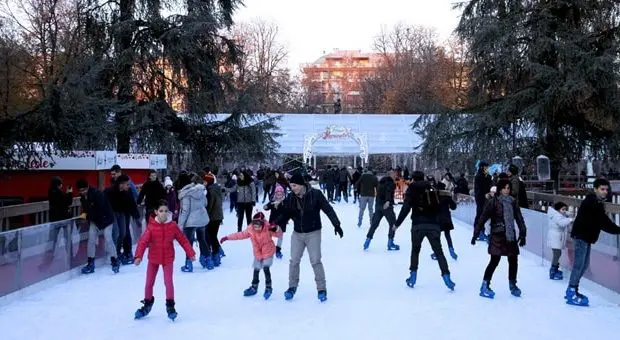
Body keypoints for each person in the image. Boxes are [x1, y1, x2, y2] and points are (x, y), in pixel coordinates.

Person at [275, 173, 343, 302]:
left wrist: (336, 224)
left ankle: (321, 289)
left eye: (294, 185)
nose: (292, 188)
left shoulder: (315, 194)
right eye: (291, 186)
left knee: (315, 261)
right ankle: (292, 287)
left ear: (301, 184)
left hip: (313, 233)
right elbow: (285, 214)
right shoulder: (290, 197)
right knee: (294, 261)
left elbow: (328, 209)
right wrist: (277, 224)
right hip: (297, 234)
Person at [134, 200, 196, 320]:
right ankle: (147, 303)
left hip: (168, 259)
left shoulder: (172, 226)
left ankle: (170, 306)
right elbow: (143, 242)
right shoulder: (151, 227)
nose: (163, 213)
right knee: (149, 283)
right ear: (156, 212)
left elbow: (182, 240)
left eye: (166, 211)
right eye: (161, 211)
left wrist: (190, 253)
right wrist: (138, 256)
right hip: (153, 259)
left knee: (168, 282)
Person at [394, 171, 455, 291]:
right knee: (439, 252)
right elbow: (441, 206)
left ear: (413, 179)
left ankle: (412, 277)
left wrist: (397, 224)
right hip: (433, 225)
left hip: (417, 225)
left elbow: (405, 208)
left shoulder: (412, 190)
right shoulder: (432, 188)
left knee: (415, 251)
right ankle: (447, 277)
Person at [565, 178, 620, 306]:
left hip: (586, 237)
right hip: (581, 237)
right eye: (602, 189)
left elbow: (601, 221)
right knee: (579, 265)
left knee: (584, 265)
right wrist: (618, 230)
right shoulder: (593, 202)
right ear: (595, 189)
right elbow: (604, 223)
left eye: (606, 189)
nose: (605, 192)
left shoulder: (595, 201)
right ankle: (571, 291)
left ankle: (574, 289)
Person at [472, 179, 527, 299]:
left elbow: (519, 218)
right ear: (500, 189)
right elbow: (483, 218)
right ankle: (485, 285)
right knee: (494, 261)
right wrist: (476, 233)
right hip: (497, 235)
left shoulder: (513, 202)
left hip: (510, 235)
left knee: (513, 261)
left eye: (508, 188)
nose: (506, 190)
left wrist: (523, 232)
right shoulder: (493, 202)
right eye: (504, 188)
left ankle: (513, 284)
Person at [220, 212, 283, 299]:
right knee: (256, 269)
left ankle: (268, 288)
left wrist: (276, 228)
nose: (256, 228)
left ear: (262, 223)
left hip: (268, 251)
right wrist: (227, 237)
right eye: (254, 225)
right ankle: (254, 287)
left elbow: (279, 234)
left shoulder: (268, 229)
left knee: (265, 268)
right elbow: (239, 235)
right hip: (258, 253)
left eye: (258, 225)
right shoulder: (250, 230)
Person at [76, 179, 119, 274]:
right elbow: (87, 209)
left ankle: (114, 260)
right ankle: (90, 263)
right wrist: (84, 214)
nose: (82, 192)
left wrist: (87, 215)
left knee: (108, 238)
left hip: (106, 219)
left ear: (87, 187)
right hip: (95, 220)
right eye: (80, 190)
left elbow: (100, 209)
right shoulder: (82, 197)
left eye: (83, 190)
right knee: (91, 240)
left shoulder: (97, 193)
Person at [178, 174, 212, 271]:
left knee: (189, 243)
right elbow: (205, 203)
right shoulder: (201, 191)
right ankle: (208, 261)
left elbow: (185, 211)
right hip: (201, 220)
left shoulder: (186, 194)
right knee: (202, 240)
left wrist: (180, 225)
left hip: (190, 222)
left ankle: (189, 264)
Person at [363, 169, 399, 251]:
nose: (395, 176)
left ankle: (367, 240)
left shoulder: (381, 182)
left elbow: (379, 193)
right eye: (394, 175)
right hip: (386, 206)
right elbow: (388, 192)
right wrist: (388, 201)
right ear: (390, 175)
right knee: (393, 223)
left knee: (374, 224)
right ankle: (390, 242)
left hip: (378, 205)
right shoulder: (391, 183)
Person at [430, 182, 458, 261]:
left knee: (437, 236)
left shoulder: (434, 196)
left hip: (437, 219)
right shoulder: (447, 195)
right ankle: (451, 249)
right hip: (446, 218)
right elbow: (454, 207)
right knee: (447, 235)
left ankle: (436, 253)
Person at [546, 201, 573, 280]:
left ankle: (555, 268)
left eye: (565, 209)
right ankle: (553, 270)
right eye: (563, 209)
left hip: (555, 237)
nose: (564, 211)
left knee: (558, 253)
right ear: (558, 210)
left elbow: (563, 216)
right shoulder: (557, 216)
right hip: (556, 237)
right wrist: (571, 219)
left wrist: (567, 214)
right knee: (557, 254)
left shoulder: (556, 214)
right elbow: (562, 223)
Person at [264, 183, 286, 259]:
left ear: (283, 194)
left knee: (280, 236)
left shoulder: (285, 202)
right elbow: (266, 208)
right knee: (269, 235)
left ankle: (278, 250)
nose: (279, 195)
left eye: (280, 194)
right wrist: (268, 205)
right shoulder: (273, 202)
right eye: (277, 194)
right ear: (275, 194)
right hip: (272, 221)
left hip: (281, 222)